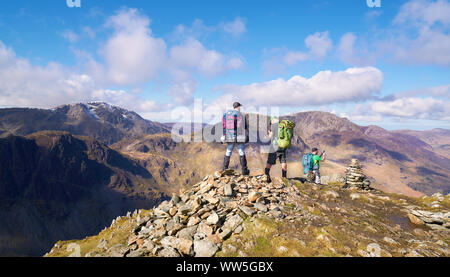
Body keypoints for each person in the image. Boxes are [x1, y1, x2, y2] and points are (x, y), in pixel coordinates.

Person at [221, 102, 250, 175]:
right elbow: (244, 126)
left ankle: (224, 169)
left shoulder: (226, 114)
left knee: (228, 151)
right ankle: (244, 171)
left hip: (229, 135)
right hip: (239, 136)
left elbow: (224, 125)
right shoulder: (241, 114)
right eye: (240, 107)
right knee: (241, 151)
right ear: (238, 107)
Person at [264, 117, 288, 183]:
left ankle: (266, 175)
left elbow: (270, 136)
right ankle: (284, 177)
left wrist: (269, 133)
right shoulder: (283, 126)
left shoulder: (274, 126)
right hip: (283, 146)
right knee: (283, 161)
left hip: (275, 146)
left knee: (270, 161)